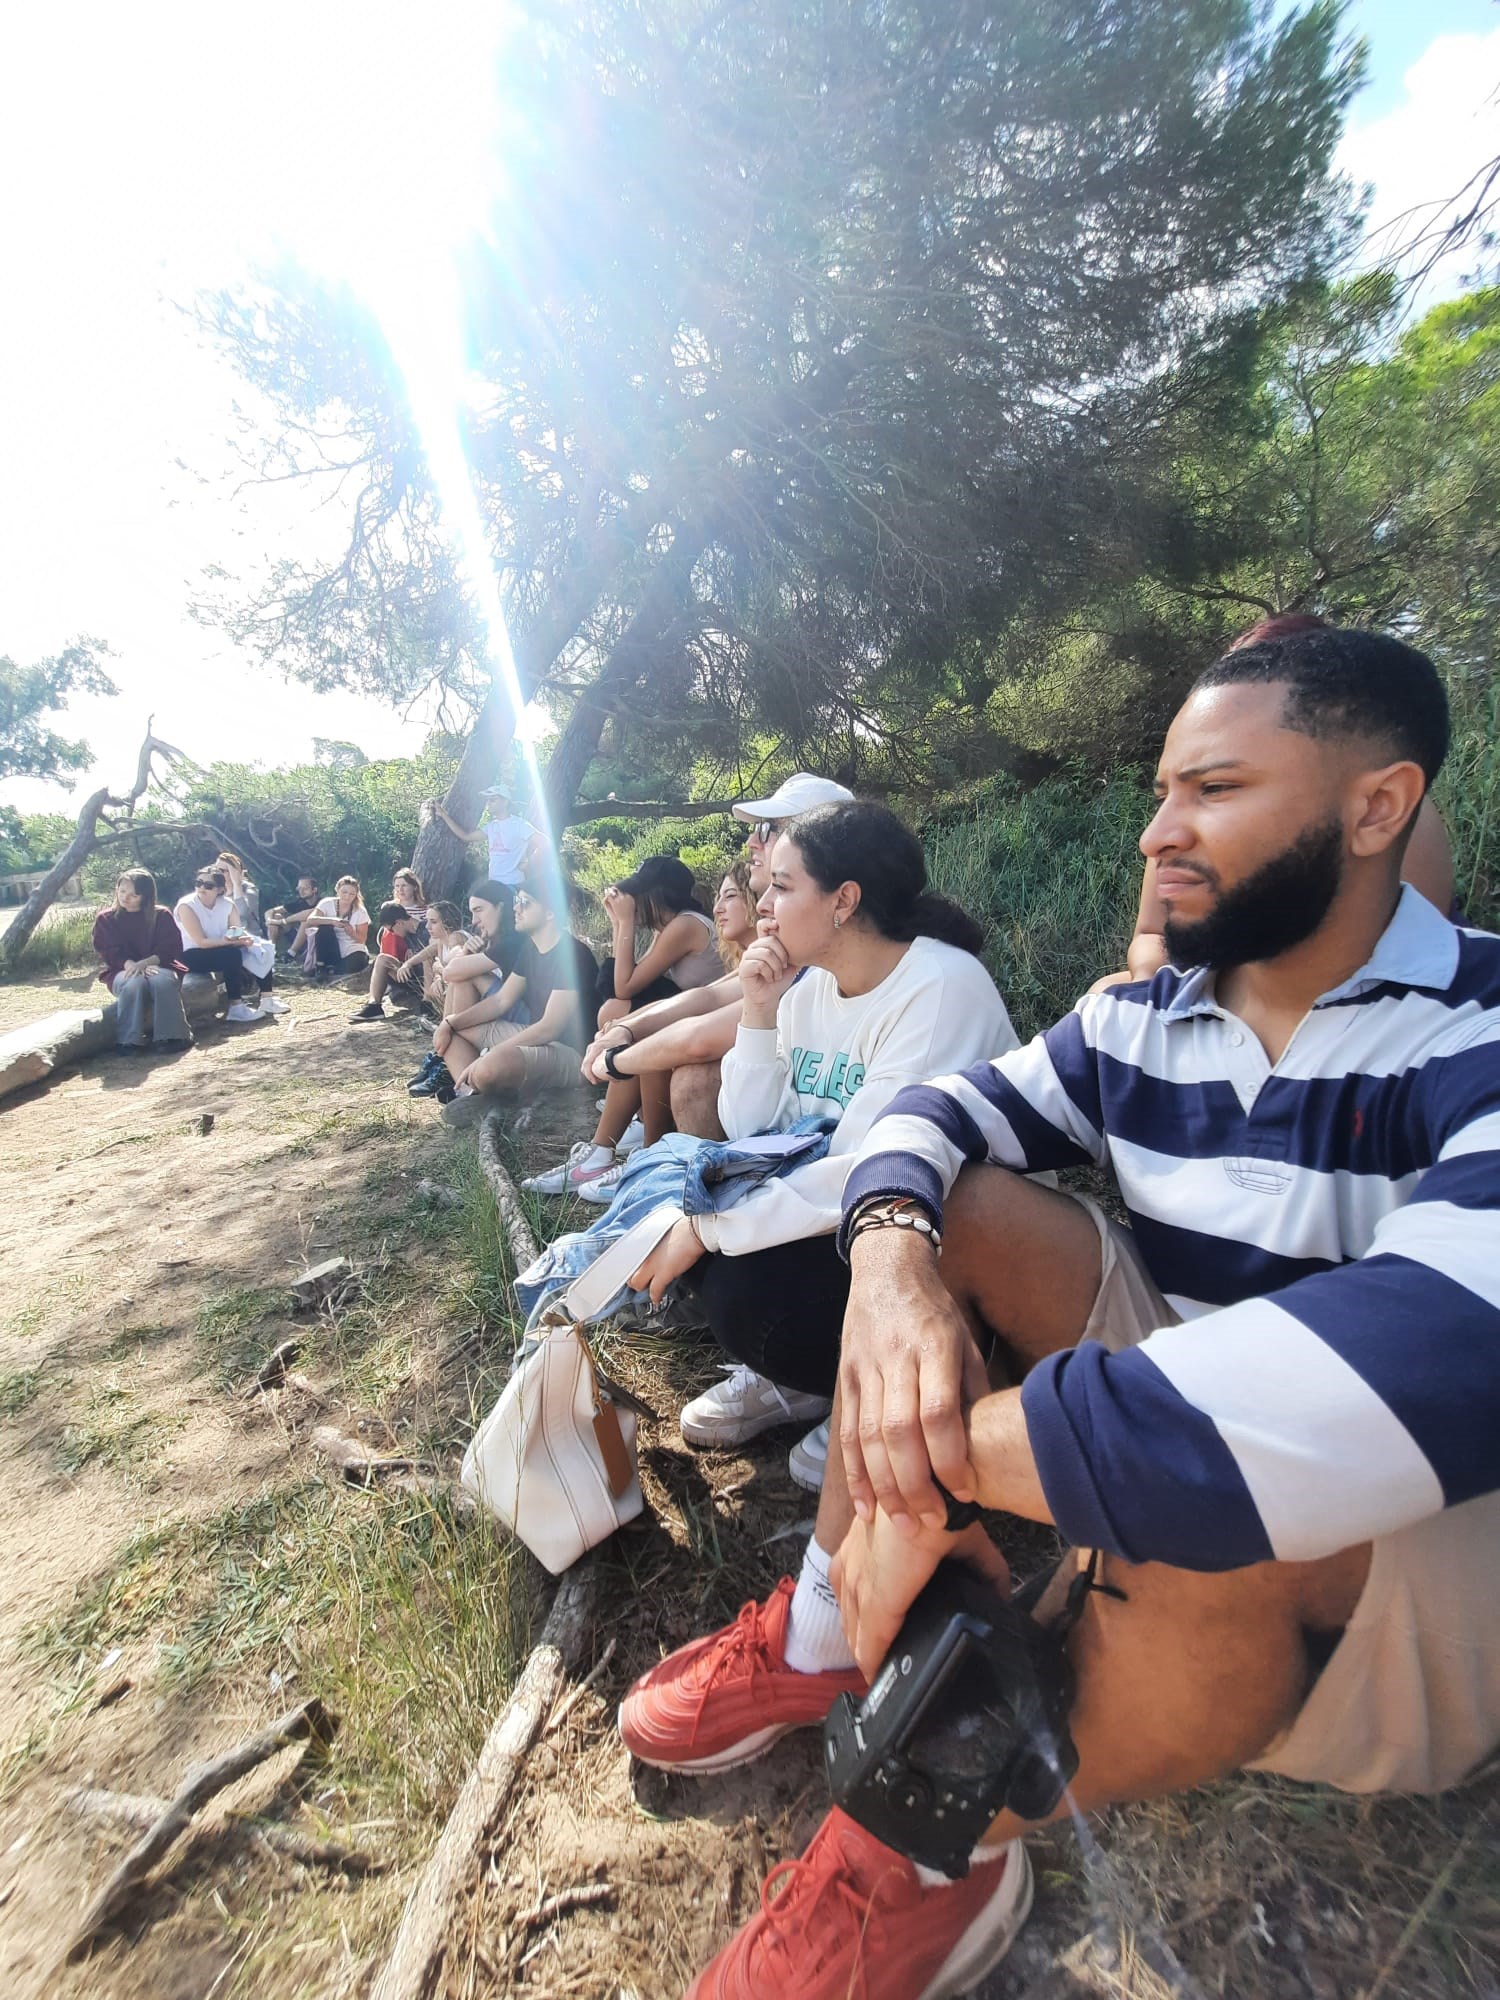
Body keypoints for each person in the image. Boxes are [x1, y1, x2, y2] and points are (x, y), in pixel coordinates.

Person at [630, 624, 1500, 2000]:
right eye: (1162, 791)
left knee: (1216, 1487)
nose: (1157, 834)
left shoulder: (1477, 1032)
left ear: (1377, 807)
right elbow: (930, 1115)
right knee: (959, 1206)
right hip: (1181, 1414)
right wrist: (893, 1265)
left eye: (1213, 790)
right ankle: (825, 1632)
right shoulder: (1147, 1018)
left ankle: (930, 1842)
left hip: (1416, 1559)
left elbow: (1403, 1377)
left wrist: (933, 1456)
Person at [619, 800, 1018, 1468]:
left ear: (844, 901)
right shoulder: (810, 988)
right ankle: (812, 1382)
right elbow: (753, 1131)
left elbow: (874, 1171)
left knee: (740, 1286)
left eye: (781, 885)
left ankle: (891, 1383)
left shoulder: (938, 988)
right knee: (688, 1218)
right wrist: (758, 1010)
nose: (762, 903)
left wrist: (708, 1228)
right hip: (848, 1220)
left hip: (940, 1239)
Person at [525, 777, 853, 1199]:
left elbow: (686, 1022)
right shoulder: (785, 935)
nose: (752, 841)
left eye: (767, 829)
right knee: (638, 1026)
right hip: (783, 1107)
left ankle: (655, 1166)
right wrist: (626, 1030)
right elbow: (708, 995)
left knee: (684, 1070)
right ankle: (631, 1157)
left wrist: (618, 1057)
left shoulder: (714, 927)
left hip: (811, 1136)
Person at [1096, 614, 1457, 993]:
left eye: (1216, 788)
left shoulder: (1397, 818)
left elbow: (1399, 962)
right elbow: (1151, 933)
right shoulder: (1178, 829)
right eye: (1163, 795)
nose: (1152, 840)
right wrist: (1151, 987)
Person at [434, 878, 600, 1127]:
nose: (516, 908)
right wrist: (450, 1022)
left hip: (571, 1052)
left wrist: (492, 1054)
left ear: (550, 912)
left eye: (525, 902)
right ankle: (475, 1096)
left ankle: (486, 1088)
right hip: (536, 1036)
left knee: (490, 1066)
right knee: (452, 1035)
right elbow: (501, 1000)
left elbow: (550, 1027)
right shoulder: (531, 949)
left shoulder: (573, 954)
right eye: (516, 901)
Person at [409, 880, 527, 1101]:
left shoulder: (513, 941)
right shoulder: (499, 939)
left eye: (479, 910)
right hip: (514, 1008)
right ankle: (452, 1069)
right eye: (472, 913)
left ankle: (452, 1069)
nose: (474, 921)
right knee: (461, 983)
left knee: (459, 995)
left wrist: (465, 953)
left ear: (501, 907)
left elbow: (451, 972)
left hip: (526, 1018)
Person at [596, 855, 723, 1027]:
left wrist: (626, 921)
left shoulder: (685, 926)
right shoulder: (665, 930)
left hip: (711, 1014)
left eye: (636, 895)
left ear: (657, 896)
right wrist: (617, 923)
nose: (633, 902)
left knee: (613, 1012)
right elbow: (623, 979)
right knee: (612, 1004)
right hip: (695, 1007)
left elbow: (624, 988)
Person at [92, 870, 192, 1050]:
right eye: (122, 891)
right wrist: (132, 965)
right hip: (122, 969)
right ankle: (128, 1040)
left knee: (161, 980)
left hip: (159, 965)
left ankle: (173, 1036)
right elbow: (108, 951)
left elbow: (170, 948)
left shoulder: (161, 915)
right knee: (133, 982)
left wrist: (145, 963)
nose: (125, 897)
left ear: (145, 896)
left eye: (134, 895)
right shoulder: (105, 919)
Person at [173, 869, 282, 1022]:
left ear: (219, 889)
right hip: (190, 954)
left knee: (261, 946)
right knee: (231, 955)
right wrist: (231, 942)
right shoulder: (187, 906)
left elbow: (235, 930)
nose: (202, 888)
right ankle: (236, 1006)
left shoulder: (227, 904)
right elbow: (201, 942)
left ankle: (267, 999)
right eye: (199, 883)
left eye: (208, 885)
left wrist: (243, 940)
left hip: (220, 947)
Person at [430, 783, 543, 910]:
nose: (488, 803)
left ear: (505, 801)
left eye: (493, 800)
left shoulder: (519, 825)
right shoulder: (491, 826)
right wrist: (443, 814)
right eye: (488, 800)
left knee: (512, 919)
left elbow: (545, 843)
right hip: (493, 885)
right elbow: (466, 836)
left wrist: (529, 863)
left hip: (513, 886)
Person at [349, 902, 424, 1022]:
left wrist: (414, 960)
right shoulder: (405, 934)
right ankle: (374, 1006)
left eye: (391, 930)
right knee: (382, 959)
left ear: (399, 922)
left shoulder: (426, 930)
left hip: (427, 979)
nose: (392, 934)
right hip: (412, 976)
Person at [302, 875, 371, 980]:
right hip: (329, 943)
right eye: (344, 892)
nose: (347, 896)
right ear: (337, 890)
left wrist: (352, 933)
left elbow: (362, 940)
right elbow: (310, 920)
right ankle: (321, 967)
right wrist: (332, 921)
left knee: (359, 959)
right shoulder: (327, 903)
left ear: (356, 895)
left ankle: (333, 971)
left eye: (352, 894)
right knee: (325, 928)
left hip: (350, 946)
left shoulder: (360, 911)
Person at [266, 875, 319, 957]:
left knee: (306, 921)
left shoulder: (322, 902)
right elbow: (270, 911)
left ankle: (291, 953)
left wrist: (283, 921)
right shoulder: (299, 903)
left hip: (316, 939)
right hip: (298, 937)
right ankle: (272, 952)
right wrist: (269, 920)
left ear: (314, 889)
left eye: (305, 888)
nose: (301, 891)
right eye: (299, 888)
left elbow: (310, 913)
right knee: (276, 916)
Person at [214, 852, 263, 935]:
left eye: (222, 870)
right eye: (216, 869)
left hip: (248, 936)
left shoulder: (249, 889)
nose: (217, 874)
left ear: (234, 872)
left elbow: (243, 914)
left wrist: (237, 885)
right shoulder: (215, 891)